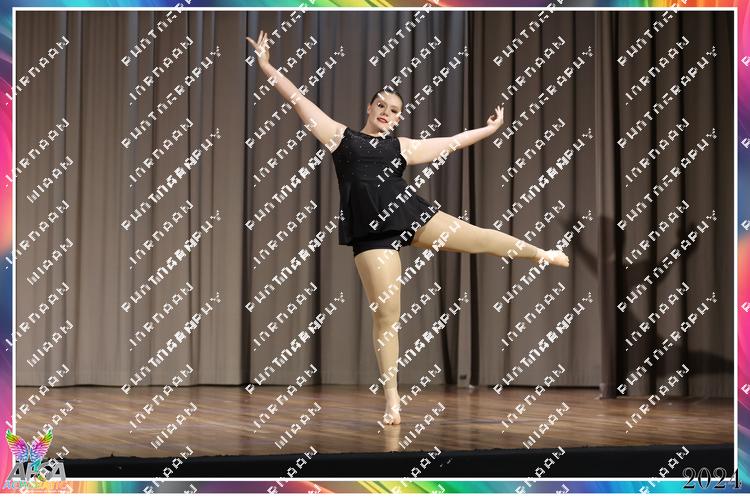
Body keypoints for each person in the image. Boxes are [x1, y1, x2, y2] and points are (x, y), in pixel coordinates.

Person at [247, 31, 569, 425]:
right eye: (381, 105)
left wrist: (490, 129)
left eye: (394, 110)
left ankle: (540, 254)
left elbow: (452, 142)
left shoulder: (401, 146)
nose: (386, 112)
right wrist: (266, 66)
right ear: (369, 108)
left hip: (410, 213)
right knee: (387, 315)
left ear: (400, 117)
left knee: (480, 237)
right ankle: (393, 401)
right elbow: (299, 100)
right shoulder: (339, 137)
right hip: (372, 233)